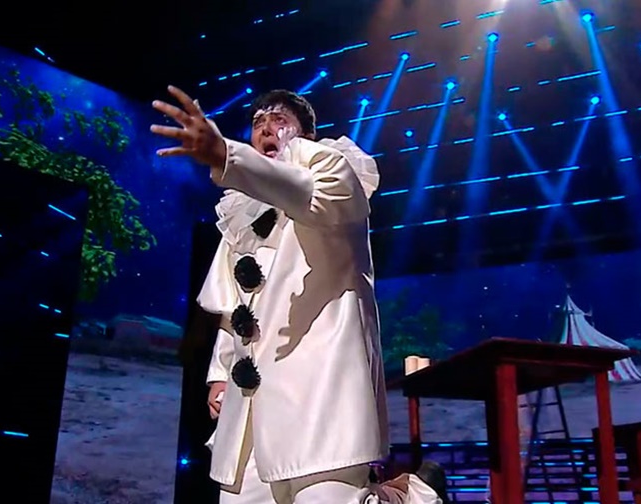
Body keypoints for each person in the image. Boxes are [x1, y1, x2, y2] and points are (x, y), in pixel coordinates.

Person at [151, 85, 448, 504]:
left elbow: (307, 192)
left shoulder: (336, 175)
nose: (265, 129)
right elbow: (234, 306)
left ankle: (411, 496)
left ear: (307, 135)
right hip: (250, 410)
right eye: (257, 122)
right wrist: (219, 373)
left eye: (279, 120)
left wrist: (225, 155)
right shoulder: (240, 216)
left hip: (319, 395)